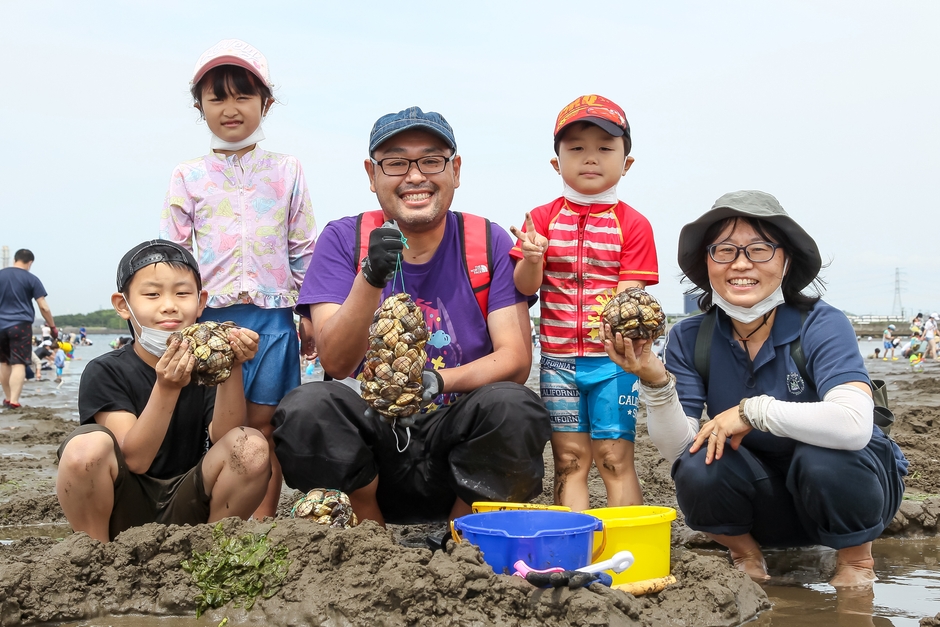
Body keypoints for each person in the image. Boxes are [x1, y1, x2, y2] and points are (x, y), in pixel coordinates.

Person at [601, 190, 907, 588]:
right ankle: (745, 553)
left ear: (787, 260)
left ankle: (856, 563)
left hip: (848, 491)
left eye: (759, 250)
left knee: (824, 458)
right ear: (705, 263)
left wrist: (752, 412)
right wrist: (657, 383)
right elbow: (678, 449)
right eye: (724, 251)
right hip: (762, 501)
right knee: (698, 463)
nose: (741, 264)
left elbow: (853, 425)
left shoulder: (821, 323)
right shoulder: (691, 336)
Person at [272, 107, 551, 526]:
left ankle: (464, 532)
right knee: (308, 406)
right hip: (374, 456)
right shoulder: (343, 239)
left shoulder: (486, 240)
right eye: (396, 162)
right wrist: (370, 277)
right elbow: (335, 361)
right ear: (372, 175)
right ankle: (370, 530)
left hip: (458, 453)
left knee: (515, 405)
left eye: (431, 160)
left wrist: (437, 382)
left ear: (455, 170)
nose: (415, 176)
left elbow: (514, 359)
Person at [159, 39, 317, 518]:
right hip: (209, 324)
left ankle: (263, 521)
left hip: (272, 317)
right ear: (199, 106)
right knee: (219, 425)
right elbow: (174, 255)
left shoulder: (287, 170)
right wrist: (178, 314)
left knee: (265, 424)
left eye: (244, 95)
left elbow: (303, 245)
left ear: (265, 103)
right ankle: (220, 511)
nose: (231, 108)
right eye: (217, 97)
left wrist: (308, 313)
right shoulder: (187, 176)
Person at [55, 240, 270, 543]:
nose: (169, 305)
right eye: (152, 294)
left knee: (253, 445)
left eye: (182, 293)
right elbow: (136, 460)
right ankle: (95, 553)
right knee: (84, 449)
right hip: (122, 507)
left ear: (200, 301)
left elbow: (228, 438)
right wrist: (166, 387)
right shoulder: (105, 371)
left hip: (189, 501)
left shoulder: (204, 367)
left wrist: (231, 366)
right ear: (123, 305)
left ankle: (212, 547)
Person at [510, 94, 658, 510]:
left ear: (626, 163)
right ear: (557, 163)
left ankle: (628, 545)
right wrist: (534, 258)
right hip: (557, 362)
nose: (590, 158)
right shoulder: (540, 220)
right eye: (576, 148)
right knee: (569, 460)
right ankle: (572, 547)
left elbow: (631, 305)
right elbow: (524, 288)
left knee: (614, 458)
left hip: (613, 363)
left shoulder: (634, 224)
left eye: (605, 148)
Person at [0, 249, 57, 408]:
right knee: (18, 363)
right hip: (21, 325)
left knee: (4, 363)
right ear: (30, 262)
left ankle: (7, 398)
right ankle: (14, 401)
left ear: (14, 259)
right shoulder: (31, 279)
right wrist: (52, 326)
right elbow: (43, 307)